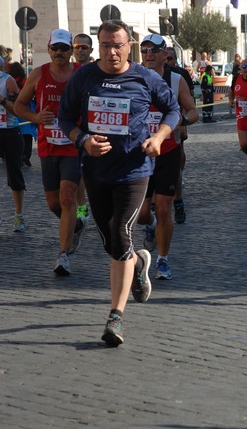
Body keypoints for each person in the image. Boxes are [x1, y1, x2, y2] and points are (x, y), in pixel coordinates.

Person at [58, 21, 180, 347]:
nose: (111, 52)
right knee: (112, 245)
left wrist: (159, 136)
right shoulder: (84, 77)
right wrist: (82, 139)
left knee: (120, 233)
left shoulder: (145, 77)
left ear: (129, 47)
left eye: (117, 45)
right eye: (105, 45)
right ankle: (139, 262)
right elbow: (65, 117)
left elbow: (173, 110)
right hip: (95, 172)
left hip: (134, 169)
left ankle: (115, 316)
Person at [15, 29, 88, 275]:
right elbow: (19, 105)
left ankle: (63, 255)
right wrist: (35, 117)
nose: (59, 53)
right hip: (47, 147)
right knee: (53, 203)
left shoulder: (81, 74)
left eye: (64, 48)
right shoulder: (38, 74)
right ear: (48, 49)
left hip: (73, 144)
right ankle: (76, 224)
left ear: (71, 51)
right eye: (55, 48)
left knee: (68, 197)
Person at [138, 34, 198, 280]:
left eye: (154, 50)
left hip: (168, 152)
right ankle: (150, 226)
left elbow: (193, 111)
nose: (149, 54)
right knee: (141, 213)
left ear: (165, 54)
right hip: (139, 154)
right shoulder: (132, 77)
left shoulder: (176, 80)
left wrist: (180, 120)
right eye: (144, 50)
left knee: (164, 209)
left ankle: (162, 259)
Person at [166, 46, 194, 224]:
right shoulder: (143, 75)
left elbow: (189, 100)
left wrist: (183, 122)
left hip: (175, 127)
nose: (167, 61)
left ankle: (178, 200)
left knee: (175, 165)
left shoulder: (179, 76)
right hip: (150, 132)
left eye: (170, 58)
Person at [0, 61, 27, 231]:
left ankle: (19, 216)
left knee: (14, 173)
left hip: (9, 131)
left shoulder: (7, 80)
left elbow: (16, 109)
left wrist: (2, 100)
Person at [73, 33, 94, 218]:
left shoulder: (97, 71)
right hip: (74, 130)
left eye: (84, 47)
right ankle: (81, 208)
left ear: (91, 50)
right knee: (77, 173)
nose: (80, 50)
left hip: (96, 129)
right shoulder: (67, 71)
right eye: (77, 47)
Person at [6, 61, 37, 167]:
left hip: (14, 110)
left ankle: (17, 156)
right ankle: (26, 156)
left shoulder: (8, 80)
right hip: (26, 109)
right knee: (27, 135)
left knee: (17, 133)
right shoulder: (25, 81)